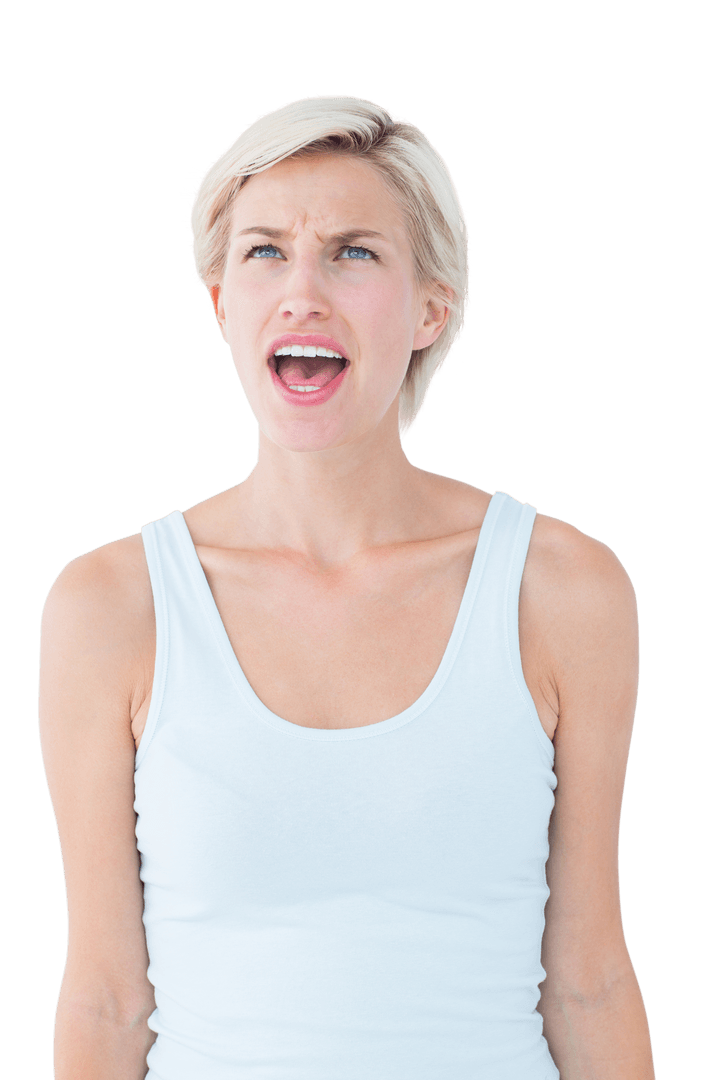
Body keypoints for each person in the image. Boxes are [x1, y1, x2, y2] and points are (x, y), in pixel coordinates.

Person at [38, 94, 655, 1079]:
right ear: (221, 303)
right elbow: (107, 998)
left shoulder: (564, 590)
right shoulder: (109, 607)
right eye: (265, 252)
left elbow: (588, 980)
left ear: (430, 308)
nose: (303, 292)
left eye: (355, 252)